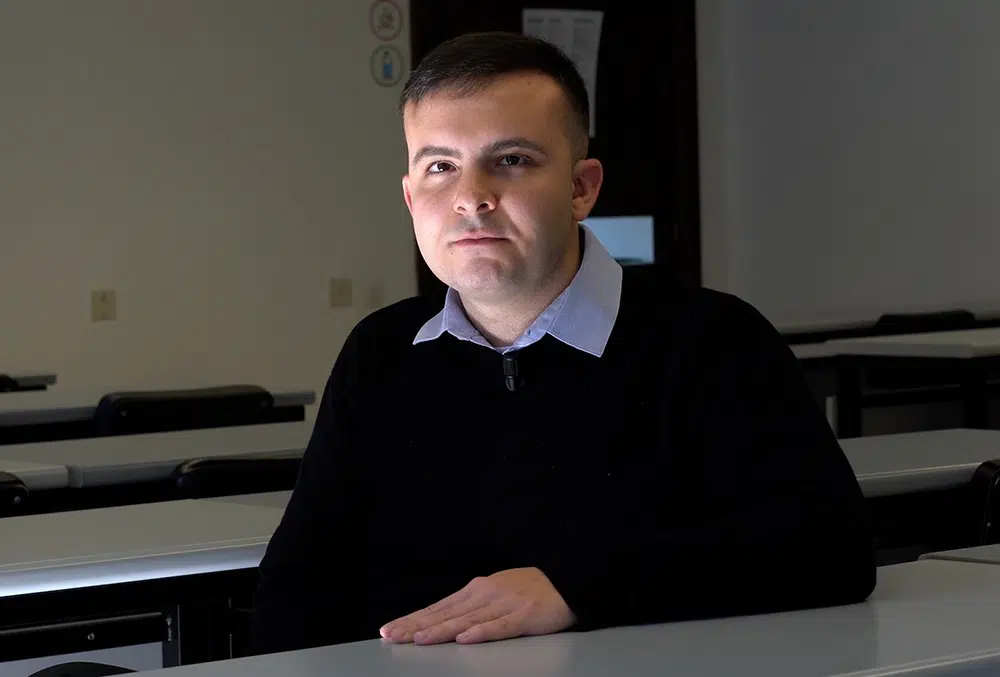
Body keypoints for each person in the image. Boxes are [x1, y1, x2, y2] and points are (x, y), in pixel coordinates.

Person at [245, 31, 875, 654]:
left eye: (511, 160)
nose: (471, 199)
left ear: (582, 188)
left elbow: (828, 547)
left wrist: (572, 589)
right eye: (441, 167)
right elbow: (299, 582)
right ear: (412, 198)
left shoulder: (709, 339)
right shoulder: (381, 350)